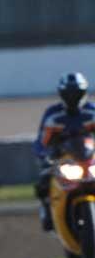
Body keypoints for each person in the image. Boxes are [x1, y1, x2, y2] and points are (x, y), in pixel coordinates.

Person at [33, 72, 95, 231]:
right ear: (62, 94)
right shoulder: (52, 115)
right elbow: (41, 142)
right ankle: (47, 215)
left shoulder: (92, 111)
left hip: (89, 158)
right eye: (69, 93)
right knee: (43, 182)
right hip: (64, 160)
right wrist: (44, 156)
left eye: (76, 93)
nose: (73, 97)